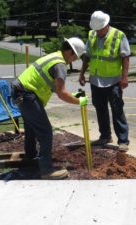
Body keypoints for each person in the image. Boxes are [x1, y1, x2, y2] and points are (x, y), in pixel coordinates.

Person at [11, 37, 88, 180]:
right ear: (71, 52)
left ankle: (31, 159)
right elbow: (62, 94)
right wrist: (80, 101)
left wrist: (75, 95)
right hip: (27, 95)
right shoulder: (60, 65)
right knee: (45, 131)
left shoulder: (54, 57)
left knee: (32, 129)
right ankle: (46, 170)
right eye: (76, 57)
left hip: (20, 92)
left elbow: (54, 86)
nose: (75, 60)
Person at [79, 10, 130, 152]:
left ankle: (123, 141)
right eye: (95, 29)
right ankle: (105, 136)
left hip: (113, 80)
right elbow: (87, 56)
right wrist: (82, 73)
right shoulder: (92, 35)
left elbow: (125, 57)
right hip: (96, 81)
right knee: (100, 109)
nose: (97, 31)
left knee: (117, 109)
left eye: (100, 29)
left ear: (106, 25)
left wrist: (125, 77)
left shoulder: (119, 35)